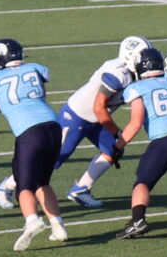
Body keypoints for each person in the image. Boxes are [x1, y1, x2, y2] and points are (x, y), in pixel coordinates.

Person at [0, 40, 68, 251]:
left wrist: (2, 104)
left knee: (24, 185)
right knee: (43, 182)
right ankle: (58, 226)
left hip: (30, 133)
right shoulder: (35, 69)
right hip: (54, 127)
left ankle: (32, 220)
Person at [112, 47, 167, 239]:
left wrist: (118, 146)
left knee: (143, 182)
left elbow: (135, 123)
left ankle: (137, 221)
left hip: (164, 141)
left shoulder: (138, 87)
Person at [52, 37, 150, 209]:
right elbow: (99, 107)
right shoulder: (118, 73)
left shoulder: (132, 73)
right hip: (77, 115)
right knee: (53, 158)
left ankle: (81, 189)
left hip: (97, 119)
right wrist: (115, 131)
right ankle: (10, 184)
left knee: (114, 149)